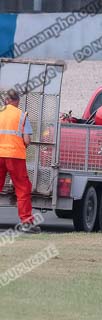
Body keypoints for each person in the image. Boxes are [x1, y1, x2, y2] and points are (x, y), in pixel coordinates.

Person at [0, 89, 38, 233]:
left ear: (6, 100)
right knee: (22, 189)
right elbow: (27, 140)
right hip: (15, 156)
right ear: (17, 101)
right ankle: (27, 223)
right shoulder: (22, 115)